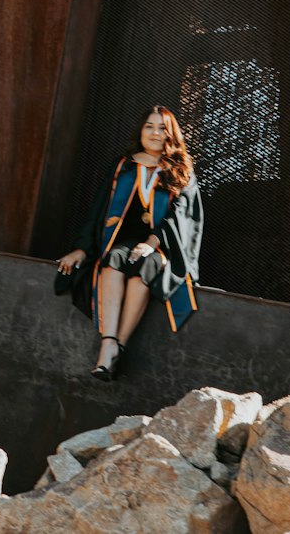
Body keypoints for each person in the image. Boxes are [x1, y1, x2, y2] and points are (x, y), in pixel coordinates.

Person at [56, 105, 202, 378]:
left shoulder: (181, 172)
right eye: (149, 126)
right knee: (111, 262)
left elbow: (181, 216)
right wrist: (80, 249)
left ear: (171, 135)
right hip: (123, 242)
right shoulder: (124, 166)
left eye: (162, 128)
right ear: (141, 131)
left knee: (142, 271)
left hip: (162, 246)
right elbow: (98, 211)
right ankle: (109, 342)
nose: (155, 133)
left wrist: (153, 241)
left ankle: (116, 347)